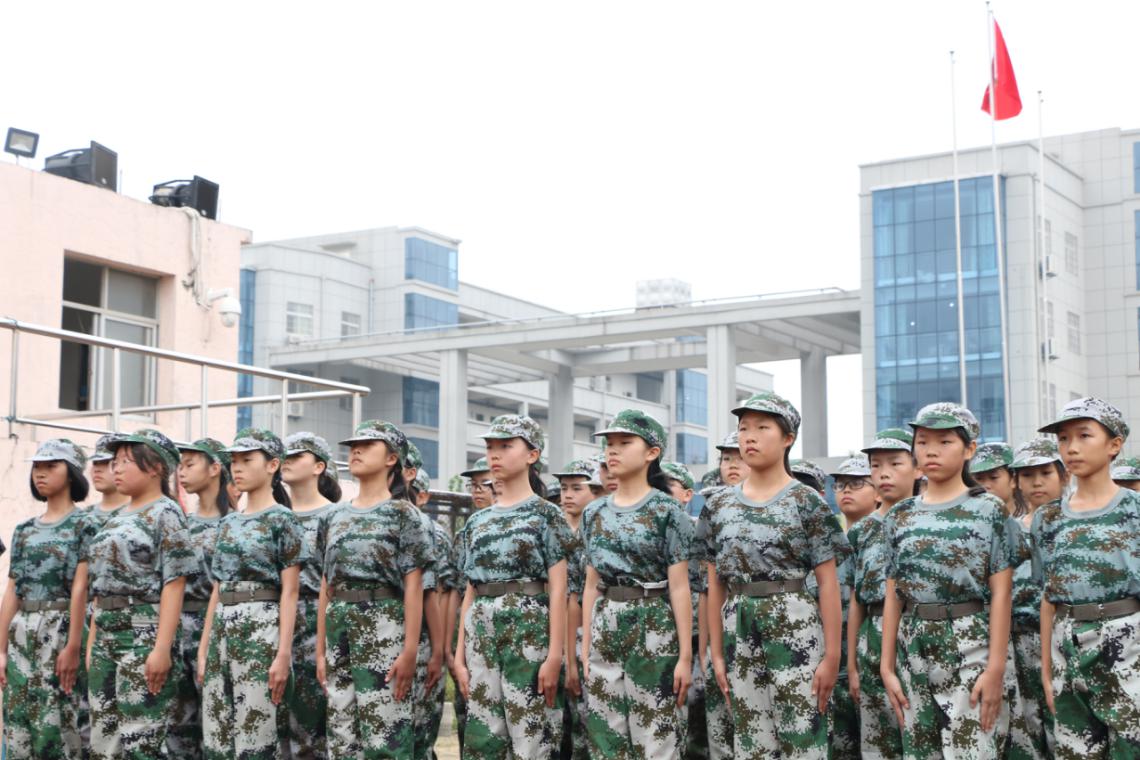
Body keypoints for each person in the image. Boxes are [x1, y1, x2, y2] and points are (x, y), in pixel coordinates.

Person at [701, 391, 848, 759]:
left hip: (794, 621)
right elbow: (715, 584)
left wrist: (832, 656)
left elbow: (828, 583)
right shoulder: (718, 505)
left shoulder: (806, 501)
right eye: (743, 428)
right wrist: (717, 653)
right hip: (738, 624)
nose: (749, 437)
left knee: (803, 736)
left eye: (762, 428)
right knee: (751, 740)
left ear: (787, 438)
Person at [880, 403, 1016, 757]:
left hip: (970, 643)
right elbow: (894, 592)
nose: (931, 451)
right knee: (920, 750)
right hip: (913, 645)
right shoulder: (899, 515)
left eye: (944, 442)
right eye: (923, 441)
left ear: (969, 449)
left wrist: (995, 668)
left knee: (973, 749)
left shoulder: (989, 509)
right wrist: (886, 665)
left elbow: (1002, 593)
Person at [453, 415, 573, 759]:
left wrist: (555, 656)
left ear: (532, 455)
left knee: (531, 736)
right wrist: (459, 657)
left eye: (506, 446)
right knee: (484, 738)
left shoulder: (547, 515)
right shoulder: (477, 521)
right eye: (491, 446)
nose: (495, 454)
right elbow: (471, 590)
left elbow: (558, 589)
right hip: (482, 634)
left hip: (529, 631)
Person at [316, 420, 433, 758]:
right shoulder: (333, 517)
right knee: (341, 734)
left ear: (391, 458)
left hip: (384, 624)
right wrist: (321, 650)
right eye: (354, 445)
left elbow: (414, 585)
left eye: (368, 445)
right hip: (340, 626)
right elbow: (327, 584)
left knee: (385, 733)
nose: (356, 451)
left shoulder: (404, 514)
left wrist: (410, 650)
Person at [581, 409, 694, 759]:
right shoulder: (594, 513)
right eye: (609, 444)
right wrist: (586, 647)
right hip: (606, 622)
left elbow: (679, 587)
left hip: (653, 622)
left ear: (652, 453)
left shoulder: (667, 511)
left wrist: (685, 656)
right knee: (605, 734)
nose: (612, 450)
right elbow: (591, 584)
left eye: (624, 442)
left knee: (655, 734)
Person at [1033, 398, 1140, 755]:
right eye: (1063, 439)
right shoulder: (1047, 518)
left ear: (1114, 445)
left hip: (1128, 642)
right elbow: (1048, 598)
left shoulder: (1134, 510)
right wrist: (1047, 669)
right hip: (1067, 645)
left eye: (1084, 435)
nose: (1071, 447)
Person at [87, 429, 197, 758]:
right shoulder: (113, 519)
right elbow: (99, 586)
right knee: (103, 740)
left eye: (126, 461)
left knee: (141, 739)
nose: (116, 468)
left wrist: (161, 648)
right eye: (115, 461)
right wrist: (92, 642)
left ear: (156, 468)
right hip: (106, 630)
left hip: (142, 631)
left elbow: (174, 583)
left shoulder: (166, 512)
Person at [198, 428, 306, 758]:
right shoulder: (228, 523)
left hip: (261, 626)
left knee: (256, 731)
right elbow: (217, 588)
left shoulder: (283, 520)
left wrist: (283, 653)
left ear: (273, 465)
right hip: (223, 628)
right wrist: (204, 649)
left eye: (247, 460)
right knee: (217, 732)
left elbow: (290, 591)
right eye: (234, 461)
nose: (238, 468)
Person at [0, 439, 90, 757]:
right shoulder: (24, 530)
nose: (40, 473)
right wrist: (1, 649)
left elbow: (80, 589)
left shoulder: (84, 525)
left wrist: (74, 645)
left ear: (72, 473)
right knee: (18, 722)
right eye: (37, 467)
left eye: (51, 466)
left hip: (60, 626)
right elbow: (13, 590)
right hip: (22, 630)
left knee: (57, 722)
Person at [848, 427, 915, 759]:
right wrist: (853, 665)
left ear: (917, 467)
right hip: (872, 637)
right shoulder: (862, 531)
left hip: (916, 632)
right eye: (876, 465)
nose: (884, 473)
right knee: (877, 743)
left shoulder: (926, 520)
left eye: (895, 463)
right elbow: (856, 600)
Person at [170, 437, 233, 759]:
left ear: (215, 468)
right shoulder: (182, 525)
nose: (181, 472)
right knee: (177, 727)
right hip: (178, 629)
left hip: (217, 629)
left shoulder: (233, 524)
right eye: (179, 466)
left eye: (190, 464)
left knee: (218, 725)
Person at [282, 432, 341, 760]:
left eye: (297, 456)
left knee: (311, 732)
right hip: (273, 626)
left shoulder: (335, 517)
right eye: (285, 455)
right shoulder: (274, 515)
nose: (287, 461)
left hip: (315, 626)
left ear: (319, 466)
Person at [1007, 437, 1064, 758]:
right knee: (1025, 726)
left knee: (1064, 723)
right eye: (1028, 475)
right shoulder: (1009, 530)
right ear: (1016, 481)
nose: (1037, 482)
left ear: (1063, 476)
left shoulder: (1073, 523)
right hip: (1017, 640)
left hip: (1061, 637)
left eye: (1045, 473)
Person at [817, 454, 877, 759]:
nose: (846, 491)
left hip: (871, 663)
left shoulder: (882, 538)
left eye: (857, 483)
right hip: (832, 667)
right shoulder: (825, 543)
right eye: (840, 485)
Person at [552, 458, 602, 760]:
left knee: (587, 728)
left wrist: (573, 659)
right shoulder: (554, 534)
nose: (568, 495)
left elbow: (577, 600)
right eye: (564, 488)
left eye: (576, 488)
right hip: (550, 639)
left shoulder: (596, 533)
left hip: (588, 638)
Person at [662, 460, 711, 760]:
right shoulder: (652, 531)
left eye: (668, 487)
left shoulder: (699, 532)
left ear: (687, 495)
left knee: (701, 716)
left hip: (699, 636)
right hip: (663, 635)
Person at [970, 442, 1021, 515]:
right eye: (979, 478)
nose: (985, 486)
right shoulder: (965, 519)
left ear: (1013, 480)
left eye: (993, 477)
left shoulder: (1031, 519)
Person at [86, 433, 129, 521]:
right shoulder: (84, 515)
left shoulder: (143, 513)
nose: (97, 470)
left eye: (106, 462)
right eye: (95, 463)